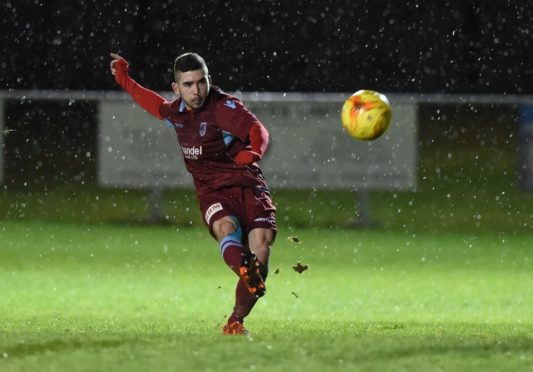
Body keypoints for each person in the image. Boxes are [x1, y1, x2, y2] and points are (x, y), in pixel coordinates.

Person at [109, 52, 277, 336]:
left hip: (249, 186)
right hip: (213, 192)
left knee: (261, 248)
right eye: (188, 84)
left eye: (201, 82)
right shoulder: (176, 113)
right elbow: (153, 103)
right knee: (227, 229)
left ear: (209, 80)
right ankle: (246, 274)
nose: (196, 90)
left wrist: (254, 151)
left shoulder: (224, 107)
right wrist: (125, 79)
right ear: (177, 88)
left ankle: (236, 319)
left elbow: (257, 129)